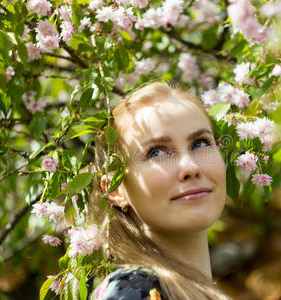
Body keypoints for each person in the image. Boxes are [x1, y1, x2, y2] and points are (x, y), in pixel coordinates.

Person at [89, 82, 232, 300]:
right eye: (156, 152)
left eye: (200, 144)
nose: (190, 167)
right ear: (116, 190)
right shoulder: (131, 291)